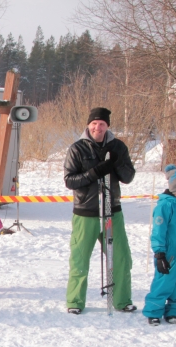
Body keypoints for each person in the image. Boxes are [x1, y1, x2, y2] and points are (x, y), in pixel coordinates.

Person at [64, 107, 136, 314]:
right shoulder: (77, 149)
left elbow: (128, 176)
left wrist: (115, 163)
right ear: (88, 125)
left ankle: (122, 300)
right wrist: (95, 172)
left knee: (121, 257)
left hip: (112, 211)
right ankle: (75, 301)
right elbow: (70, 180)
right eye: (94, 123)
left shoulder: (118, 147)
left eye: (102, 124)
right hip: (85, 211)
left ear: (107, 126)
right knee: (79, 259)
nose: (98, 127)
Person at [143, 165, 176, 326]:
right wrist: (159, 253)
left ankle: (175, 311)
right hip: (169, 252)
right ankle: (154, 311)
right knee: (164, 282)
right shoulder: (165, 206)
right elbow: (158, 231)